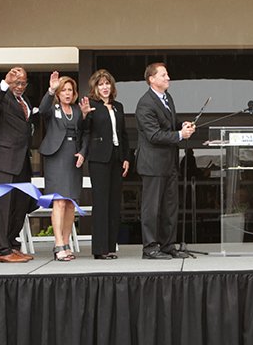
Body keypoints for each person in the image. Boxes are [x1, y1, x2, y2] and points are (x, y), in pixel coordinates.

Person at [135, 62, 196, 259]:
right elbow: (154, 135)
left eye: (167, 74)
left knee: (170, 207)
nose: (168, 78)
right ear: (151, 79)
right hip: (152, 164)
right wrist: (180, 135)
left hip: (169, 163)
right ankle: (150, 248)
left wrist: (182, 125)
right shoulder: (145, 103)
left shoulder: (167, 98)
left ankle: (168, 245)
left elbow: (168, 125)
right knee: (151, 209)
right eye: (163, 75)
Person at [79, 69, 132, 260]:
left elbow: (124, 134)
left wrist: (126, 157)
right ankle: (99, 249)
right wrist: (84, 116)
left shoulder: (118, 106)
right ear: (95, 87)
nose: (104, 87)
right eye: (101, 84)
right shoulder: (91, 105)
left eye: (107, 83)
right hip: (99, 159)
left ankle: (110, 247)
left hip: (117, 158)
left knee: (114, 204)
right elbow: (84, 131)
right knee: (101, 204)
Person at [0, 66, 36, 263]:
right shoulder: (3, 97)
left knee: (20, 204)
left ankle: (12, 244)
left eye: (23, 83)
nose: (20, 87)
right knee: (3, 206)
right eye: (17, 83)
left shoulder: (25, 100)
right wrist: (5, 84)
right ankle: (1, 250)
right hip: (3, 160)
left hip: (22, 159)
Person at [38, 72, 89, 262]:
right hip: (56, 157)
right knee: (59, 201)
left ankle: (66, 243)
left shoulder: (77, 110)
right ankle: (58, 243)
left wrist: (83, 152)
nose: (67, 93)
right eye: (64, 90)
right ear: (58, 93)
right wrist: (50, 90)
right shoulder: (52, 108)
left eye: (70, 90)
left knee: (70, 203)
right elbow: (42, 110)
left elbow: (85, 133)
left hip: (73, 157)